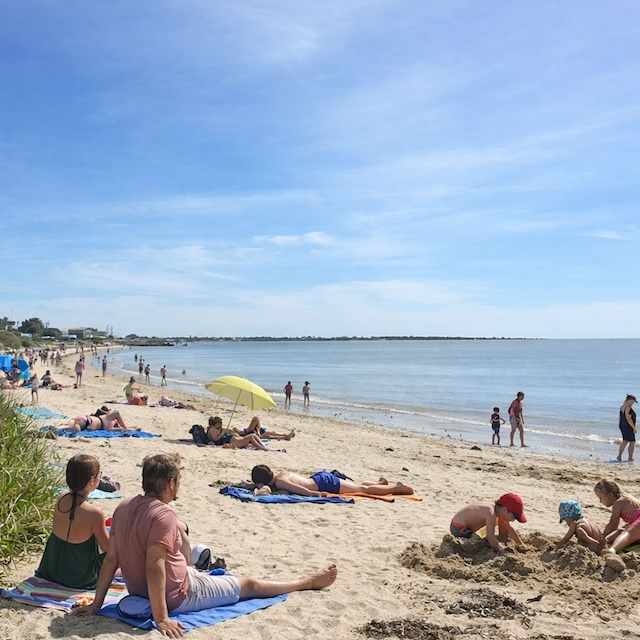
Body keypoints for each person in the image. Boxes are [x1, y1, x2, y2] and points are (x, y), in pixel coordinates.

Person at [69, 454, 338, 637]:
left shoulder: (124, 506)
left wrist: (96, 604)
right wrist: (162, 618)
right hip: (180, 595)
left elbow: (112, 559)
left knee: (197, 568)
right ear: (171, 483)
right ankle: (305, 582)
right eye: (178, 481)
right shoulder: (164, 514)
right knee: (248, 584)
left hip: (142, 590)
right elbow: (154, 566)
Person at [38, 454, 109, 588]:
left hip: (51, 569)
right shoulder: (95, 513)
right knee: (115, 554)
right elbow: (107, 548)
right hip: (79, 578)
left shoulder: (61, 497)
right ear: (91, 481)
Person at [250, 465, 414, 497]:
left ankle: (397, 488)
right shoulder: (281, 475)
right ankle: (380, 484)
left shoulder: (280, 482)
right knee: (356, 485)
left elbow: (303, 491)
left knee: (362, 490)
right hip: (319, 477)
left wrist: (317, 495)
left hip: (324, 484)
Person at [449, 493, 527, 554]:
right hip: (459, 527)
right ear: (505, 510)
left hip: (468, 526)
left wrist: (521, 544)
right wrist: (501, 551)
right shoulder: (490, 513)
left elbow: (509, 529)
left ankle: (502, 538)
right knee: (480, 543)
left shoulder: (498, 510)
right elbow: (490, 536)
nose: (513, 520)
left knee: (503, 524)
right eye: (513, 517)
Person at [594, 479, 640, 557]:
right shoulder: (625, 500)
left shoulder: (618, 503)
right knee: (620, 532)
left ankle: (612, 550)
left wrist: (602, 536)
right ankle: (606, 544)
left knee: (627, 533)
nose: (600, 502)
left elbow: (612, 524)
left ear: (610, 495)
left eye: (600, 498)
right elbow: (615, 527)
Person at [206, 416, 272, 451]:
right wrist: (223, 433)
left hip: (233, 439)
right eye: (219, 423)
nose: (221, 425)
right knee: (251, 437)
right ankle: (261, 448)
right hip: (232, 441)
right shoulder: (212, 429)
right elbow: (215, 439)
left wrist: (230, 432)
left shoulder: (216, 429)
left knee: (253, 435)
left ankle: (262, 447)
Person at [58, 410, 140, 432]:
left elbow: (120, 428)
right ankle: (59, 426)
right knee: (74, 429)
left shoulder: (109, 427)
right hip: (88, 421)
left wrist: (132, 428)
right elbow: (117, 412)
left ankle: (58, 426)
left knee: (70, 428)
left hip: (86, 421)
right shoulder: (108, 418)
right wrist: (126, 428)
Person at [616, 394, 637, 463]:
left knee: (625, 441)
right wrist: (634, 428)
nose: (633, 403)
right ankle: (629, 457)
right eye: (633, 401)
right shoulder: (628, 407)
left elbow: (620, 417)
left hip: (623, 425)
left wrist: (620, 425)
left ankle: (620, 456)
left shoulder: (622, 407)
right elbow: (628, 419)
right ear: (629, 400)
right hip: (628, 426)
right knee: (631, 442)